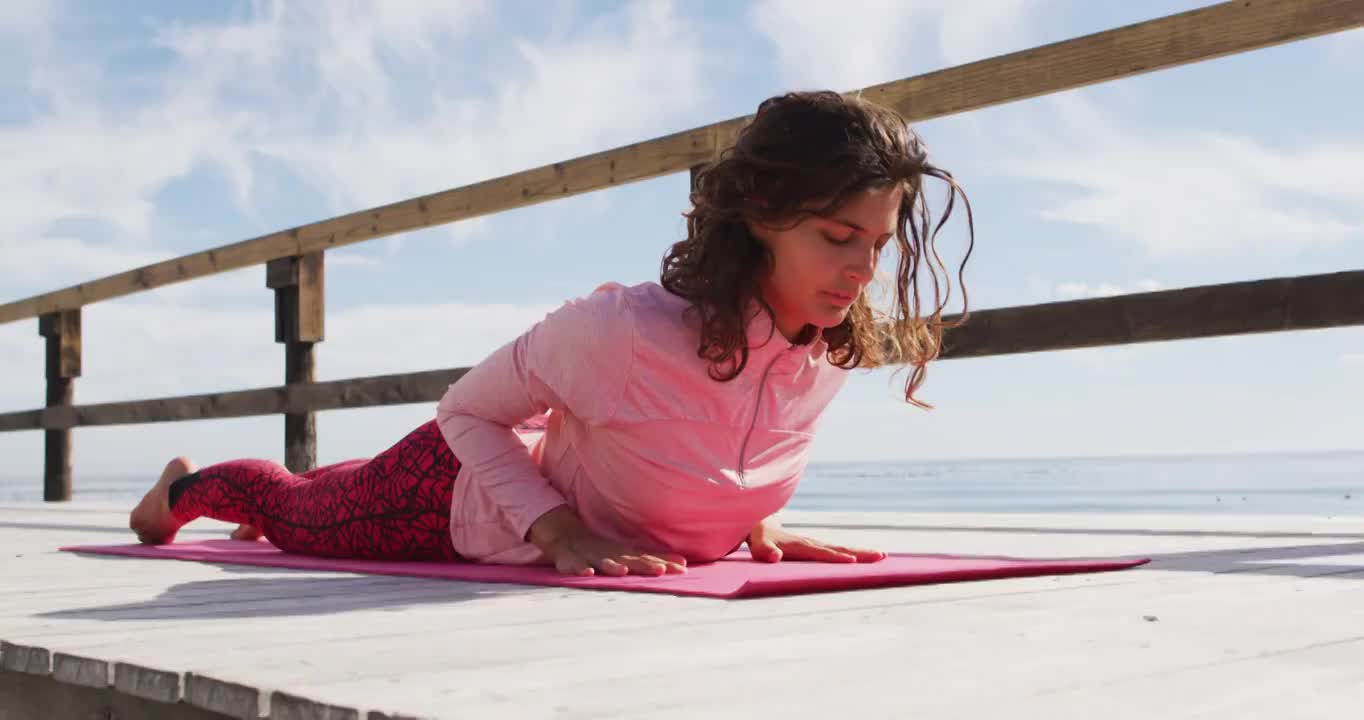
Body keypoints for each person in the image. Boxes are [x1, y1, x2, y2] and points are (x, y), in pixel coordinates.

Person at [129, 90, 974, 578]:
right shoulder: (625, 331)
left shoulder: (825, 345)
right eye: (837, 237)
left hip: (543, 457)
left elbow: (716, 443)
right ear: (762, 215)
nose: (863, 271)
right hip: (453, 495)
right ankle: (185, 489)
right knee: (296, 508)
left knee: (332, 486)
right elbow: (464, 412)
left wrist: (748, 520)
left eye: (877, 242)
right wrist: (558, 531)